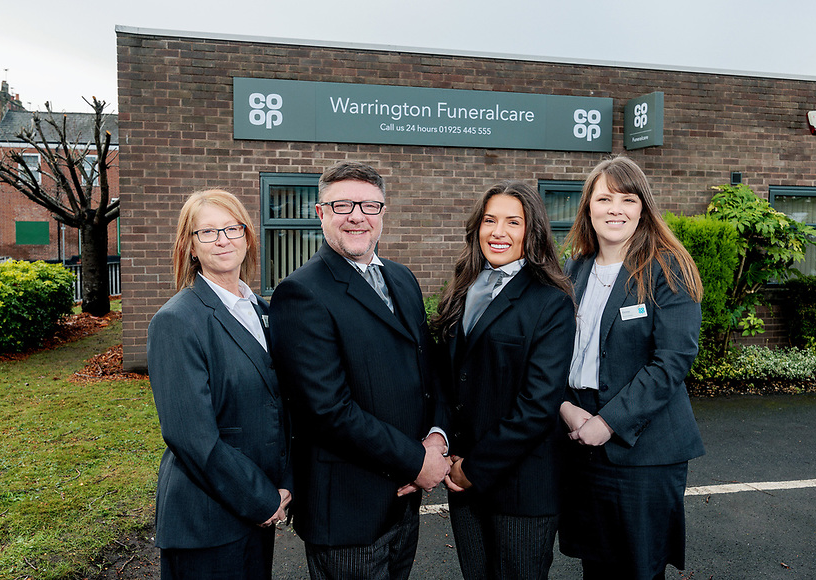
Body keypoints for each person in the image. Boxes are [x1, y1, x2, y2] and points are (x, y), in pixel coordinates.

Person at [269, 161, 450, 580]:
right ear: (321, 213)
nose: (357, 216)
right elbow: (327, 410)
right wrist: (416, 462)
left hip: (403, 503)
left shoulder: (402, 279)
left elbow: (429, 371)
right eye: (343, 205)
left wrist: (438, 438)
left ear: (382, 212)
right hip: (348, 510)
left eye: (369, 205)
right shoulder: (301, 292)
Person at [558, 156, 705, 580]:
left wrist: (609, 422)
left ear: (643, 208)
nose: (615, 209)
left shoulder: (667, 266)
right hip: (580, 436)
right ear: (588, 207)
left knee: (639, 569)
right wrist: (565, 408)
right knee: (596, 566)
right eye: (604, 199)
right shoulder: (575, 267)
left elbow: (672, 361)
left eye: (628, 199)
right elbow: (556, 352)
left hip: (643, 448)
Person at [430, 181, 575, 580]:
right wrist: (446, 448)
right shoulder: (463, 288)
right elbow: (447, 377)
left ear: (533, 231)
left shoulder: (551, 301)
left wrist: (473, 469)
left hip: (520, 486)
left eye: (513, 222)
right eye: (489, 220)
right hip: (462, 480)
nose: (498, 232)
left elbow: (538, 406)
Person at [147, 189, 292, 580]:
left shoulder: (262, 310)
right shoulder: (177, 321)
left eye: (231, 228)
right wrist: (261, 499)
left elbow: (282, 405)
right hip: (206, 523)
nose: (223, 239)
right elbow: (190, 435)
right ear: (191, 246)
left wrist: (285, 485)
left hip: (259, 510)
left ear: (247, 236)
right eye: (207, 232)